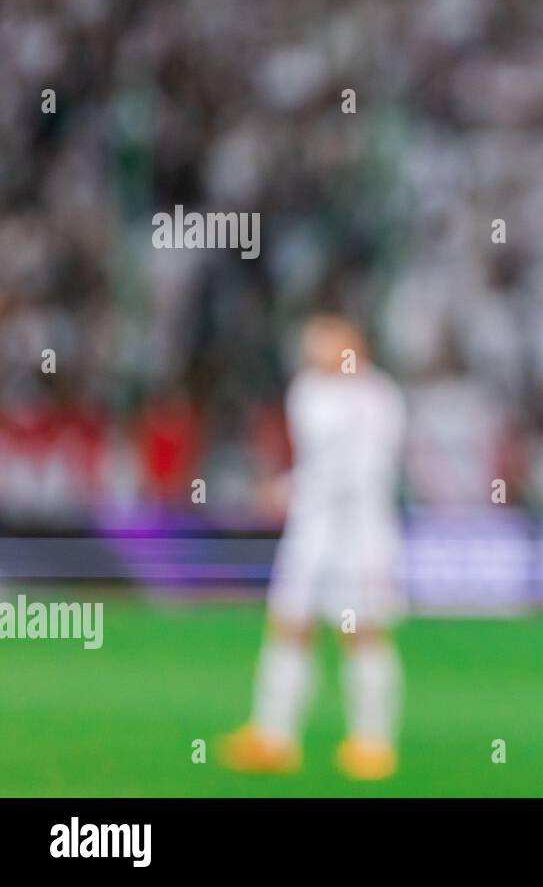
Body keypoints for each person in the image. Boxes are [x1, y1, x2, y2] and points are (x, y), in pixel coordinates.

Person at [220, 313, 407, 781]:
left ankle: (373, 742)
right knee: (289, 626)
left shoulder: (380, 397)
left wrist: (282, 492)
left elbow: (357, 474)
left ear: (355, 344)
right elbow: (321, 466)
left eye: (326, 342)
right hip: (310, 535)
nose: (316, 351)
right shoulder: (306, 392)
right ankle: (273, 737)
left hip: (361, 536)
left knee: (363, 634)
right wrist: (292, 494)